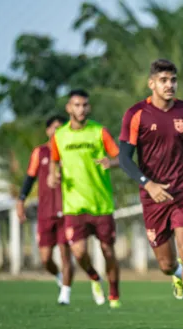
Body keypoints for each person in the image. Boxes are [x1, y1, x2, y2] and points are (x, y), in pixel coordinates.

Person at [119, 59, 183, 327]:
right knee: (164, 264)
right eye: (163, 80)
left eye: (173, 80)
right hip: (152, 196)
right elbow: (124, 158)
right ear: (151, 83)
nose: (169, 85)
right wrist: (148, 184)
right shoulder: (136, 114)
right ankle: (176, 274)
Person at [48, 89, 120, 308]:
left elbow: (120, 158)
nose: (81, 109)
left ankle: (114, 293)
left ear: (88, 107)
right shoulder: (59, 136)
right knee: (79, 253)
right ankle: (94, 276)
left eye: (84, 105)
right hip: (74, 206)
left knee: (108, 251)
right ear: (69, 108)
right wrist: (53, 174)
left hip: (101, 204)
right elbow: (54, 160)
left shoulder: (99, 132)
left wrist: (111, 162)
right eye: (77, 105)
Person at [17, 115, 76, 304]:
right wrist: (21, 201)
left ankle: (65, 294)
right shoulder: (40, 152)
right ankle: (59, 276)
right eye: (55, 128)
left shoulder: (70, 151)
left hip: (67, 211)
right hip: (45, 213)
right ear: (48, 130)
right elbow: (30, 178)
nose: (58, 131)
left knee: (65, 254)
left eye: (62, 128)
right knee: (45, 258)